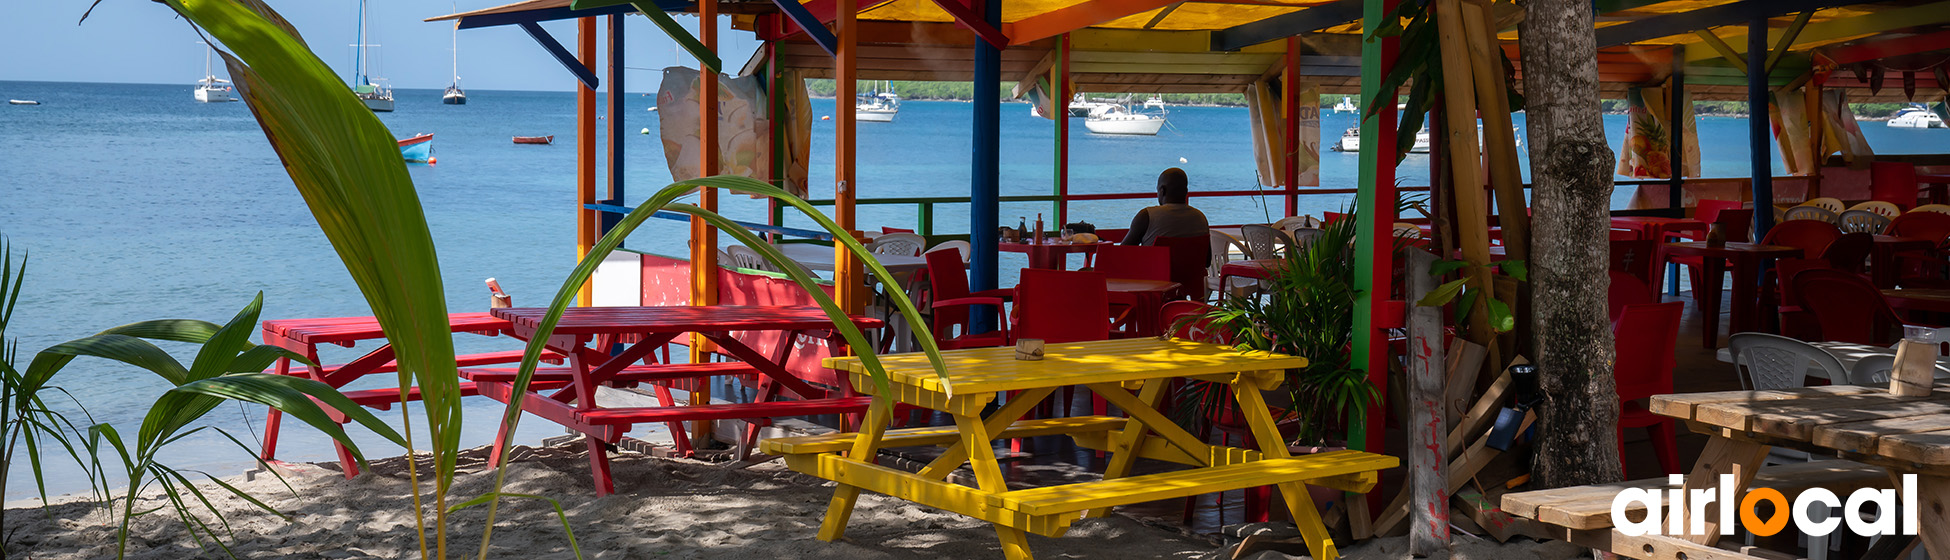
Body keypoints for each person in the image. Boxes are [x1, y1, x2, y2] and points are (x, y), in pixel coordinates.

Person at [1120, 168, 1208, 246]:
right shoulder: (1201, 218)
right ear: (1186, 191)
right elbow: (1207, 259)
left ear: (1162, 191)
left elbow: (1122, 253)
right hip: (1192, 265)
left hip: (1156, 265)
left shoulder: (1146, 216)